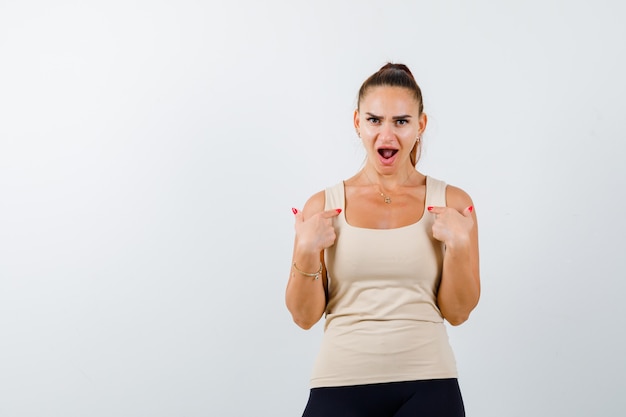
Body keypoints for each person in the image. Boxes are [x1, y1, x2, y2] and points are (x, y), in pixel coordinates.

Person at [286, 63, 480, 417]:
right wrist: (306, 250)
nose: (386, 135)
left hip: (429, 384)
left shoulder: (452, 204)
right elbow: (303, 317)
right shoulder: (323, 206)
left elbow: (458, 312)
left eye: (401, 121)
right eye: (375, 120)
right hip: (339, 383)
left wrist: (460, 248)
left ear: (420, 125)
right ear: (357, 122)